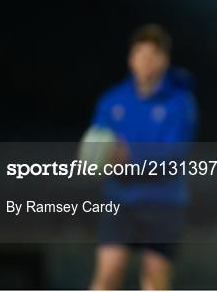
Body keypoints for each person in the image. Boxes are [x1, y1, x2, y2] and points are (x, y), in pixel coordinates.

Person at [85, 24, 198, 290]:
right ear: (130, 58)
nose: (145, 62)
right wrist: (95, 159)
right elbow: (95, 148)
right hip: (120, 200)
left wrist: (129, 156)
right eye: (140, 54)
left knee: (154, 279)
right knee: (108, 272)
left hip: (162, 203)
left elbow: (175, 154)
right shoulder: (112, 101)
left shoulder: (179, 103)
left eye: (153, 55)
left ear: (164, 60)